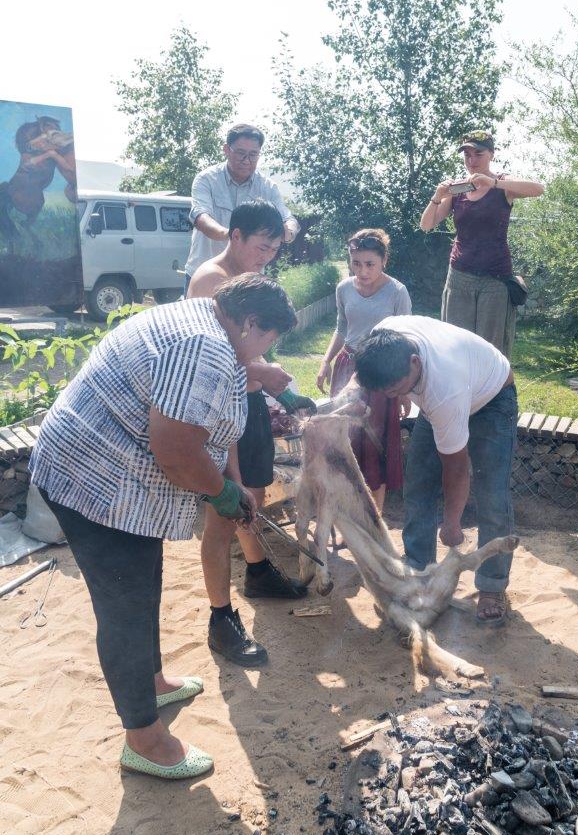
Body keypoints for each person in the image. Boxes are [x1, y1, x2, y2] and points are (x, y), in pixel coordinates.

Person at [29, 275, 297, 780]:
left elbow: (195, 431)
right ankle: (145, 740)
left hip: (120, 480)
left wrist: (229, 484)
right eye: (267, 340)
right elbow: (174, 449)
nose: (264, 352)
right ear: (249, 322)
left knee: (143, 581)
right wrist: (222, 493)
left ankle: (150, 681)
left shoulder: (203, 317)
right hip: (93, 479)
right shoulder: (206, 350)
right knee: (125, 608)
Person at [188, 201, 317, 661]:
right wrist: (263, 373)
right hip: (220, 406)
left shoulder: (251, 284)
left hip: (243, 400)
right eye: (262, 246)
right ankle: (222, 618)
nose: (267, 256)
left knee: (251, 496)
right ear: (235, 236)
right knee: (226, 507)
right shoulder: (210, 282)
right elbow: (211, 369)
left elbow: (247, 355)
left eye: (275, 250)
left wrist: (275, 388)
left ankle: (258, 570)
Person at [354, 315, 517, 626]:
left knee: (492, 494)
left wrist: (452, 523)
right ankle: (417, 569)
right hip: (441, 396)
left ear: (414, 362)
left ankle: (492, 587)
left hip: (492, 397)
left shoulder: (444, 389)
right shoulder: (382, 338)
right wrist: (391, 391)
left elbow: (456, 468)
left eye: (395, 388)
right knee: (418, 483)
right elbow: (364, 378)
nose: (390, 395)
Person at [420, 130, 544, 358]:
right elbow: (426, 225)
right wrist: (437, 195)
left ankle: (492, 393)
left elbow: (539, 189)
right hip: (459, 276)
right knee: (456, 344)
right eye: (467, 155)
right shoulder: (458, 191)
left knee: (490, 349)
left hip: (495, 278)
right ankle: (460, 393)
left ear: (492, 155)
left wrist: (493, 182)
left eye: (478, 154)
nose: (472, 160)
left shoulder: (503, 185)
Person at [316, 229, 411, 511]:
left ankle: (374, 518)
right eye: (356, 263)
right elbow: (341, 328)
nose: (362, 270)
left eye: (369, 263)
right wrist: (326, 361)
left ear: (383, 260)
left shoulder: (397, 291)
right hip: (347, 369)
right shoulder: (343, 288)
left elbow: (406, 338)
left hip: (382, 372)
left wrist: (404, 388)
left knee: (375, 445)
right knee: (344, 439)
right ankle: (347, 515)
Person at [184, 123, 300, 292]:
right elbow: (201, 217)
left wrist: (287, 233)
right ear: (226, 149)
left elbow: (290, 220)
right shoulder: (206, 179)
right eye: (240, 153)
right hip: (203, 273)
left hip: (247, 280)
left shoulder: (267, 187)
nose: (246, 160)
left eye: (253, 155)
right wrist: (233, 235)